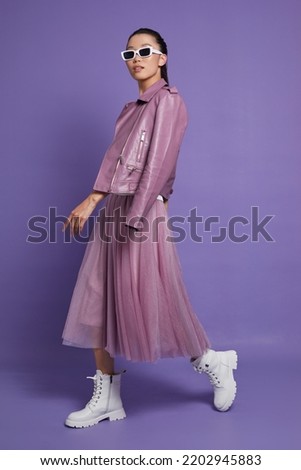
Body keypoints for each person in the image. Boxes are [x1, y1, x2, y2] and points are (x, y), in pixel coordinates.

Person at [62, 28, 238, 429]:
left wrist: (137, 216)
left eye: (145, 50)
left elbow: (159, 166)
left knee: (157, 296)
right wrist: (95, 200)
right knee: (99, 297)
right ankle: (106, 396)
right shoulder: (131, 109)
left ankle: (214, 362)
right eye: (129, 52)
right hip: (119, 209)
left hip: (138, 215)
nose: (136, 57)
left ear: (162, 57)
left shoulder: (169, 102)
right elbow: (116, 164)